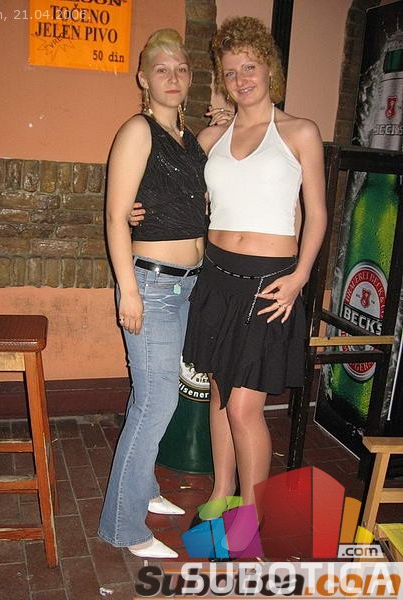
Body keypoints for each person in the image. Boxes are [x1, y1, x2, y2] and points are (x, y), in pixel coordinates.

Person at [131, 15, 326, 529]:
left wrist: (301, 277)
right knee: (219, 396)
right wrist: (136, 210)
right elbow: (180, 196)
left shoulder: (300, 132)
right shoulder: (212, 135)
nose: (242, 79)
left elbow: (317, 214)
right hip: (215, 277)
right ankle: (220, 494)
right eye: (231, 71)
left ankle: (253, 515)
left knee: (244, 408)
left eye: (250, 67)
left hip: (271, 284)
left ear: (270, 70)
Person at [97, 28, 209, 559]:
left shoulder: (188, 139)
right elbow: (116, 216)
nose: (173, 77)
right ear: (143, 78)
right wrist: (128, 290)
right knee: (155, 403)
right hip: (152, 285)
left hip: (186, 286)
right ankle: (122, 525)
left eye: (181, 68)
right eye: (161, 69)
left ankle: (141, 489)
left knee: (153, 398)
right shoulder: (137, 131)